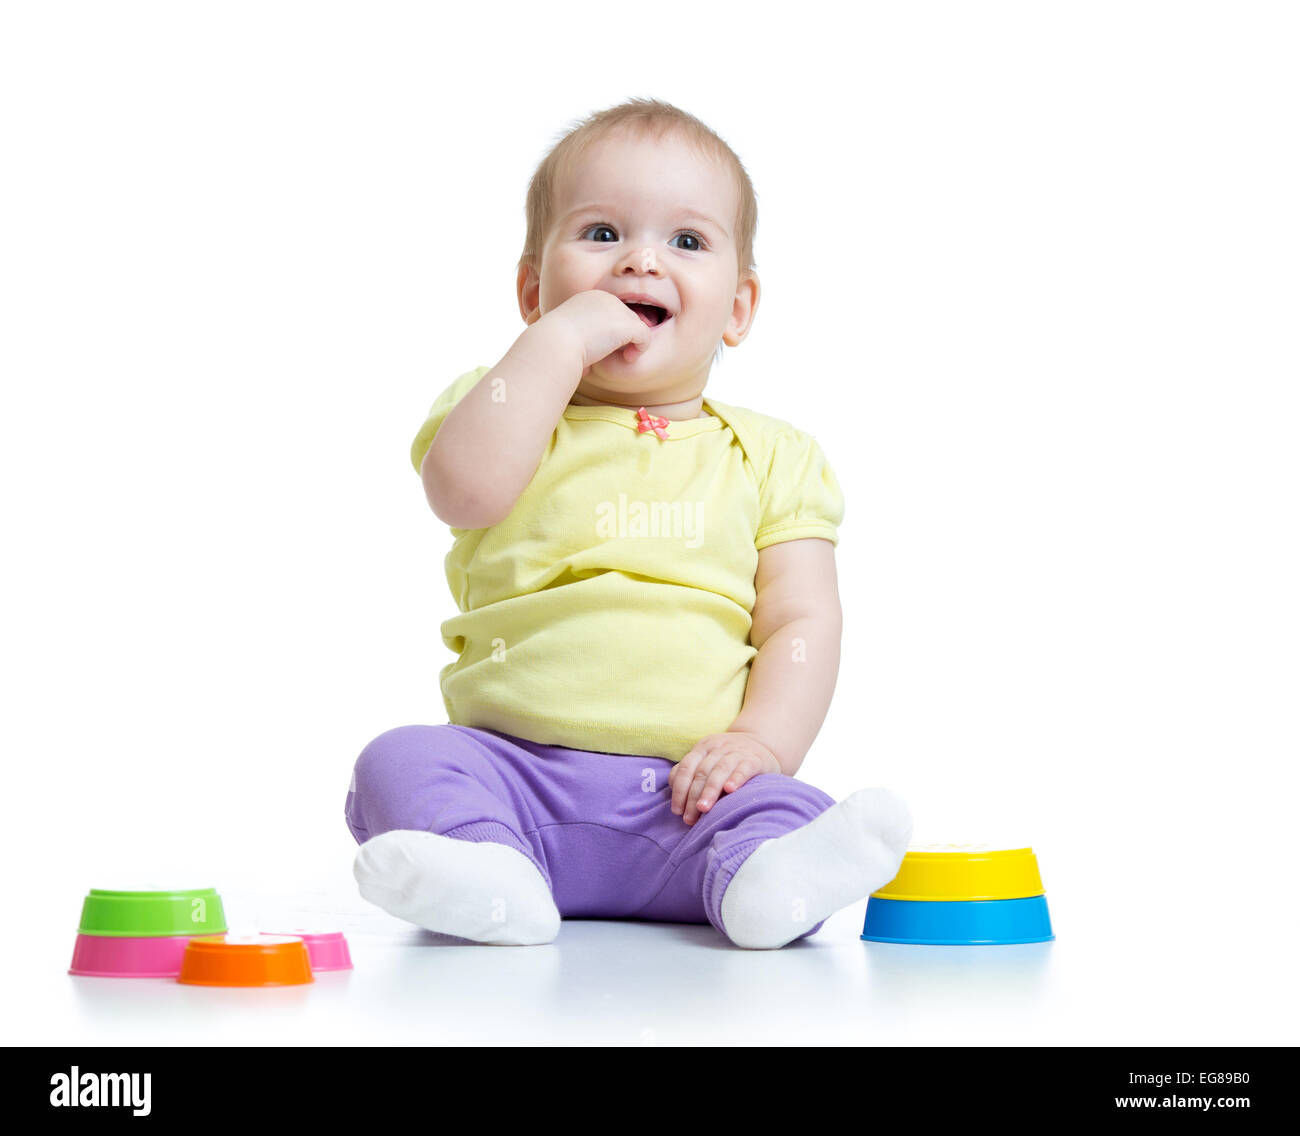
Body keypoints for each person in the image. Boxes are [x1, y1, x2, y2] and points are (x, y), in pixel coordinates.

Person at [345, 97, 911, 949]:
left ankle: (763, 880)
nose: (640, 259)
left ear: (738, 307)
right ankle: (491, 875)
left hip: (691, 795)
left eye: (686, 242)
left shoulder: (774, 456)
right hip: (512, 775)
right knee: (398, 762)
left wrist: (759, 742)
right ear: (534, 291)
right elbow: (463, 492)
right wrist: (557, 345)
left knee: (787, 808)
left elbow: (802, 618)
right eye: (601, 234)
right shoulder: (498, 406)